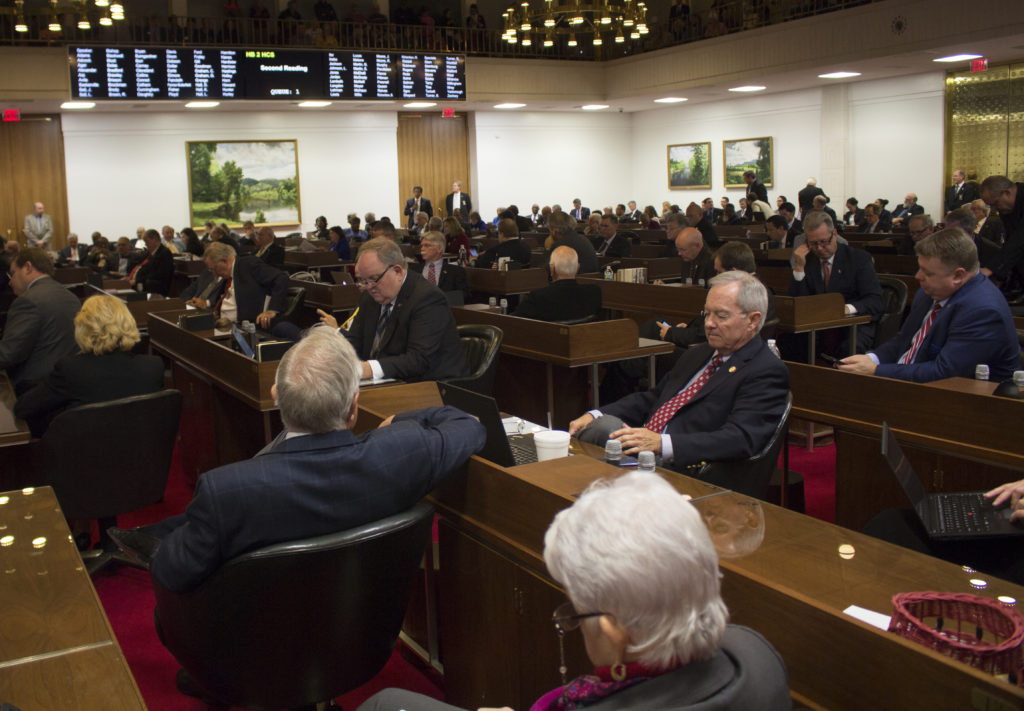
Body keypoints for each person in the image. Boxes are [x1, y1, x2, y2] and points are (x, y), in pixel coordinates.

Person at [359, 470, 790, 711]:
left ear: (614, 632)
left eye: (577, 610)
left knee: (384, 704)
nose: (575, 621)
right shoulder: (757, 653)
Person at [121, 327, 485, 599]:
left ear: (277, 397)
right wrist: (399, 421)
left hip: (250, 637)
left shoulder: (226, 490)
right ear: (353, 408)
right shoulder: (404, 453)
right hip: (363, 626)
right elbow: (468, 425)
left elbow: (172, 574)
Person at [571, 271, 790, 472]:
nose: (709, 324)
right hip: (647, 453)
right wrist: (595, 413)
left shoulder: (765, 370)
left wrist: (662, 443)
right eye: (707, 314)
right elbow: (654, 398)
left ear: (753, 320)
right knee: (598, 426)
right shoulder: (698, 353)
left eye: (721, 316)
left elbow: (740, 438)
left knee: (604, 430)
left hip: (688, 467)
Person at [838, 229, 1019, 383]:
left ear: (958, 276)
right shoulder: (930, 292)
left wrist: (876, 371)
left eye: (928, 272)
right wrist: (871, 359)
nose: (918, 276)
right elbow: (904, 341)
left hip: (957, 399)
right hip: (911, 381)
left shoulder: (982, 310)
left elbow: (945, 373)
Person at [318, 238, 466, 382]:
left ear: (397, 271)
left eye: (374, 279)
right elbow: (355, 341)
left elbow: (418, 360)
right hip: (386, 381)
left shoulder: (427, 298)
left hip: (432, 386)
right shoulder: (370, 297)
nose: (368, 287)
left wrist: (367, 369)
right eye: (363, 280)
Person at [15, 294, 164, 437]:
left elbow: (23, 408)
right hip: (140, 451)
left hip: (83, 452)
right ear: (129, 324)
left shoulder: (71, 369)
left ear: (82, 329)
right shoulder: (153, 367)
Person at [789, 211, 882, 352]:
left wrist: (847, 309)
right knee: (789, 342)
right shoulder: (807, 261)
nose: (819, 248)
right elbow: (797, 303)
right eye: (813, 243)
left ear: (835, 234)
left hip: (853, 325)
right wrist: (799, 269)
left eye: (824, 242)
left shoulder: (858, 259)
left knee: (848, 348)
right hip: (817, 325)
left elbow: (875, 301)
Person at [0, 249, 81, 394]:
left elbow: (8, 354)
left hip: (33, 387)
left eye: (12, 273)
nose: (10, 282)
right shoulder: (70, 296)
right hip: (69, 382)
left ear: (27, 267)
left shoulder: (27, 301)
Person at [202, 242, 287, 329]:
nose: (214, 274)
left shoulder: (248, 264)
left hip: (246, 327)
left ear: (224, 261)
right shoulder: (227, 275)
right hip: (224, 325)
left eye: (214, 269)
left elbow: (281, 278)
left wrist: (272, 310)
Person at [514, 246, 602, 323]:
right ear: (577, 268)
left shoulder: (538, 297)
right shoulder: (594, 293)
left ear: (552, 269)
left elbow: (513, 322)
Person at [410, 231, 468, 300]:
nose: (422, 249)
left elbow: (462, 296)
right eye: (422, 246)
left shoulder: (456, 272)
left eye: (427, 245)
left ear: (439, 249)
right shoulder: (413, 270)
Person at [545, 210, 599, 275]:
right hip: (591, 278)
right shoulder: (583, 238)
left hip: (576, 279)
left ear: (554, 230)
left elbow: (546, 269)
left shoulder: (560, 245)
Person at [128, 228, 174, 296]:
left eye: (146, 241)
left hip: (154, 288)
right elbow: (140, 266)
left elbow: (158, 275)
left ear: (154, 240)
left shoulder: (164, 253)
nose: (145, 244)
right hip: (140, 283)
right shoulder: (148, 253)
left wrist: (137, 281)